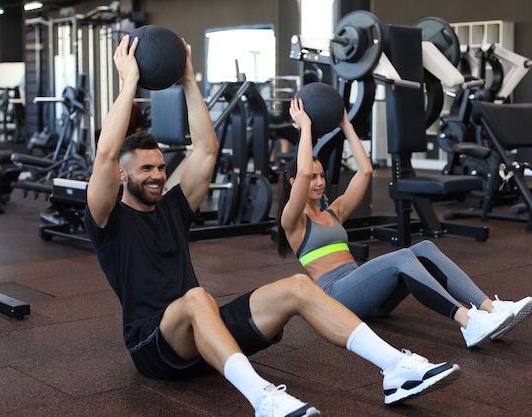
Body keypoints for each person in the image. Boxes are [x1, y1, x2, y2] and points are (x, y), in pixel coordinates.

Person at [85, 34, 461, 417]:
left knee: (298, 286)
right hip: (154, 347)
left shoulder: (173, 207)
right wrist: (129, 81)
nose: (158, 175)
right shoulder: (108, 220)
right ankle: (264, 399)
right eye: (146, 168)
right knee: (199, 298)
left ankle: (395, 367)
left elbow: (206, 149)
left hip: (207, 335)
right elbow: (105, 154)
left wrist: (189, 80)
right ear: (121, 174)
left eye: (161, 167)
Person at [276, 96, 532, 349]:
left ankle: (490, 308)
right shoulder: (293, 221)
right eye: (313, 178)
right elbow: (302, 171)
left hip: (366, 292)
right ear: (295, 184)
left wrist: (346, 125)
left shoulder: (334, 212)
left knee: (423, 248)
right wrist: (307, 126)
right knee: (400, 256)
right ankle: (467, 322)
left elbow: (365, 170)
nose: (319, 182)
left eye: (322, 176)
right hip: (338, 297)